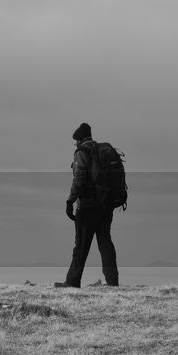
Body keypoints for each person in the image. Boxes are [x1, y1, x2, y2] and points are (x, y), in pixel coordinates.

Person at [55, 122, 119, 288]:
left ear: (79, 139)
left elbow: (79, 178)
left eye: (74, 140)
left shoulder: (82, 153)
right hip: (106, 206)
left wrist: (70, 200)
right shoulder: (101, 151)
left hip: (88, 207)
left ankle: (72, 281)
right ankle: (113, 282)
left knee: (81, 246)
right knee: (105, 242)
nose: (74, 144)